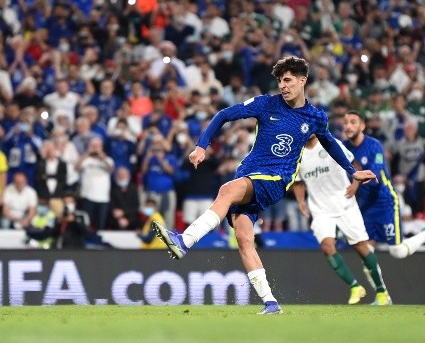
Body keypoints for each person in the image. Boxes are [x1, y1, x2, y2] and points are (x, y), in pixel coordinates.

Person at [152, 56, 378, 315]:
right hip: (249, 173)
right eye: (280, 80)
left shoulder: (315, 117)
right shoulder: (266, 104)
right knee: (244, 239)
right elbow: (225, 114)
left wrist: (352, 171)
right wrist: (201, 145)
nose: (283, 85)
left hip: (276, 179)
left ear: (302, 81)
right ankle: (271, 302)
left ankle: (184, 241)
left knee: (226, 191)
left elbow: (329, 144)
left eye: (288, 80)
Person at [292, 134, 391, 305]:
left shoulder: (331, 143)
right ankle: (354, 286)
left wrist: (355, 184)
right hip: (320, 209)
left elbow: (354, 163)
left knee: (361, 247)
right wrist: (301, 202)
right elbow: (298, 182)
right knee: (327, 246)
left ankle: (382, 292)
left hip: (344, 204)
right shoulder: (297, 154)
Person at [343, 112, 425, 261]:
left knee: (397, 252)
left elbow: (376, 174)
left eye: (353, 122)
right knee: (366, 252)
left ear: (362, 126)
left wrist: (355, 182)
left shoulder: (374, 145)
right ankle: (379, 285)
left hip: (385, 202)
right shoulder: (344, 148)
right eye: (346, 122)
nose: (348, 126)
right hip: (365, 206)